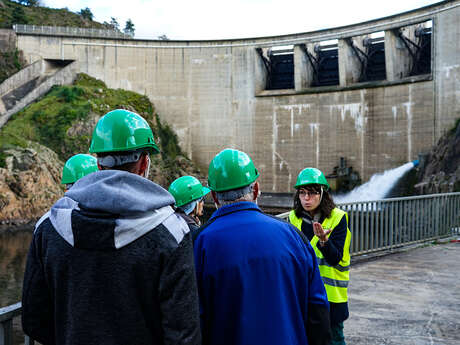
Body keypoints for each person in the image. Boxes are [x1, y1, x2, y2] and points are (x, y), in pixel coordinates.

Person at [22, 109, 201, 345]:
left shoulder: (48, 227)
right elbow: (183, 334)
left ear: (98, 162)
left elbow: (34, 320)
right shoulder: (173, 233)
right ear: (144, 163)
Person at [194, 148, 331, 345]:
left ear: (214, 197)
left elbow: (191, 318)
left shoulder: (200, 243)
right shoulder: (294, 237)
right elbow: (318, 311)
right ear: (256, 189)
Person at [288, 167, 352, 345]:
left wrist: (324, 240)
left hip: (330, 297)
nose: (306, 199)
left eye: (312, 193)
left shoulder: (338, 218)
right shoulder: (293, 218)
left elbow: (335, 258)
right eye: (302, 193)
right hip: (303, 295)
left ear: (323, 193)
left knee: (333, 340)